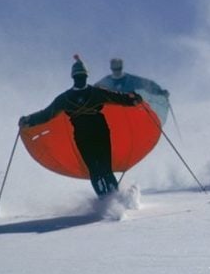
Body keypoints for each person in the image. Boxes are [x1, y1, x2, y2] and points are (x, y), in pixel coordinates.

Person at [19, 55, 143, 197]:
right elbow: (47, 114)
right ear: (75, 77)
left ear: (83, 77)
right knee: (98, 170)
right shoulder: (89, 94)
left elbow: (118, 98)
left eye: (82, 76)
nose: (80, 79)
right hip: (92, 134)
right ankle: (109, 201)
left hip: (94, 135)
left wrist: (132, 100)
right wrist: (29, 120)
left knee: (100, 170)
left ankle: (113, 199)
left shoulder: (69, 98)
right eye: (79, 77)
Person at [95, 58, 169, 97]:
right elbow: (93, 90)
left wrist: (160, 92)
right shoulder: (106, 82)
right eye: (115, 69)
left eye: (119, 69)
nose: (117, 71)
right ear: (111, 69)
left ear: (122, 68)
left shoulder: (131, 80)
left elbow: (147, 85)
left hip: (130, 109)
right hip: (113, 110)